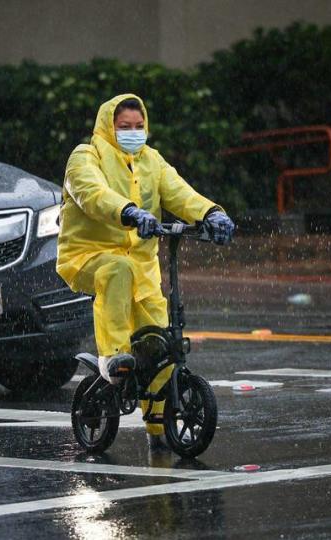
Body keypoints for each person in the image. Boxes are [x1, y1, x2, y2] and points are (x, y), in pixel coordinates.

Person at [56, 94, 234, 444]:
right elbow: (91, 193)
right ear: (109, 126)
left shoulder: (152, 161)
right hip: (89, 256)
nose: (133, 133)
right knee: (116, 270)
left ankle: (158, 426)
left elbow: (180, 193)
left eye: (139, 127)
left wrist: (211, 214)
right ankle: (113, 357)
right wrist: (129, 212)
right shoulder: (84, 157)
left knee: (159, 337)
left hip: (142, 265)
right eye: (125, 127)